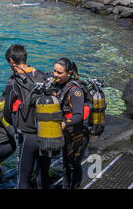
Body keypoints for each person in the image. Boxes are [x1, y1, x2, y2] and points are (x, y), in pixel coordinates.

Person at [2, 44, 51, 189]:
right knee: (43, 175)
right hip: (48, 131)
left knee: (23, 178)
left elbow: (7, 111)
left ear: (11, 61)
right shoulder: (43, 75)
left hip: (28, 133)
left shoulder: (13, 80)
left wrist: (13, 124)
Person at [52, 58, 89, 189]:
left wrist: (64, 124)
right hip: (66, 132)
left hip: (77, 134)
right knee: (66, 163)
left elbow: (78, 115)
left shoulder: (74, 91)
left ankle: (75, 186)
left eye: (59, 73)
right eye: (54, 71)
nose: (55, 75)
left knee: (74, 164)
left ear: (69, 73)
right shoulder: (57, 84)